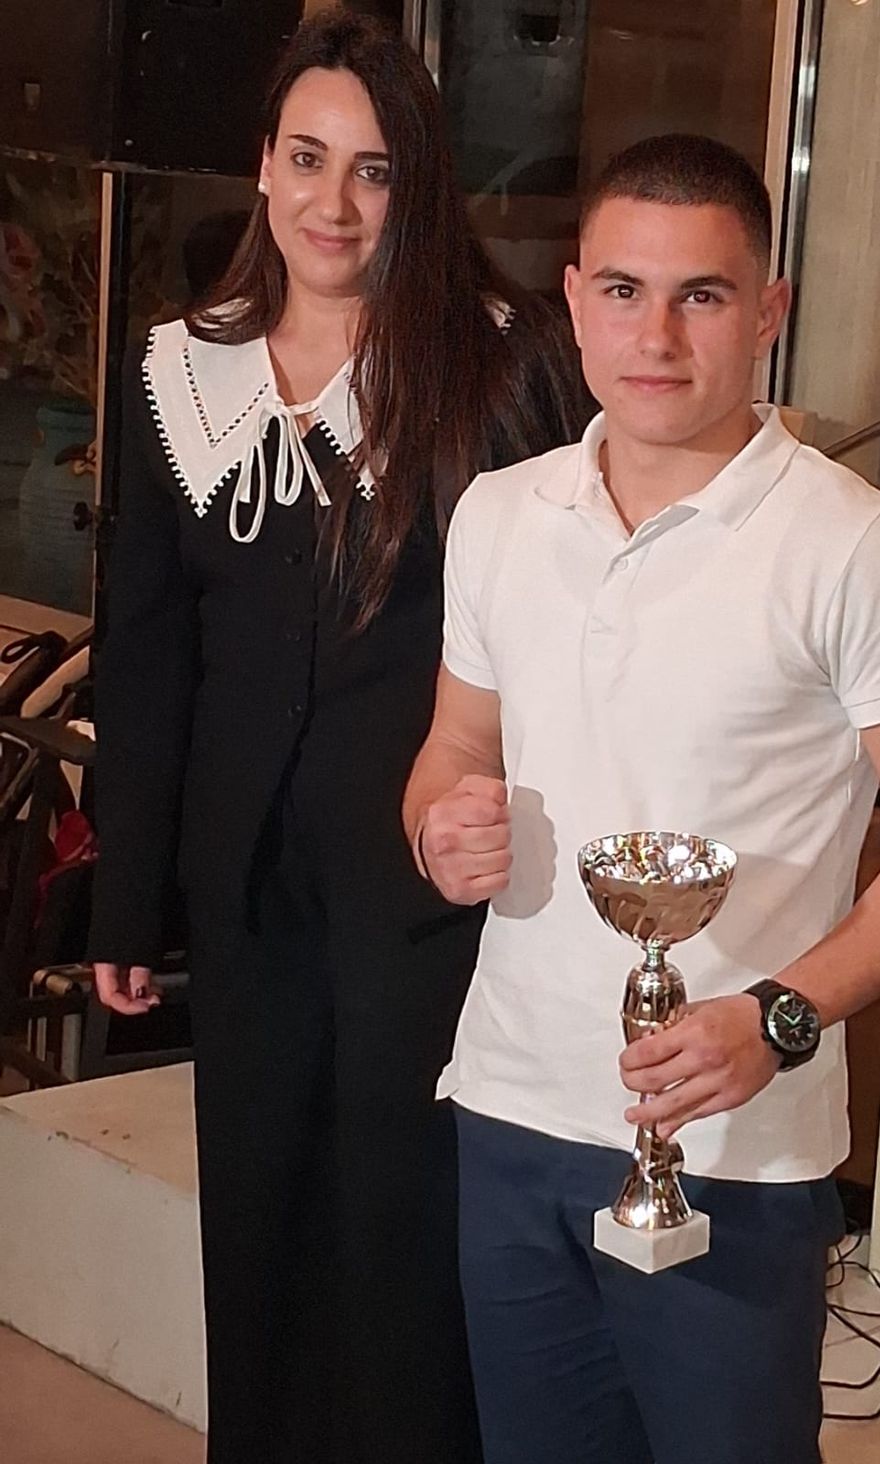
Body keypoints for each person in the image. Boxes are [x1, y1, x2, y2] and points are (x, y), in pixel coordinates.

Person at [404, 134, 880, 1464]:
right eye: (625, 291)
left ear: (769, 311)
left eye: (704, 296)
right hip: (510, 1102)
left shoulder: (856, 545)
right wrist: (440, 826)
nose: (658, 338)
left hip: (734, 1137)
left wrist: (781, 1019)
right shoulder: (501, 514)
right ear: (575, 301)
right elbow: (453, 746)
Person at [87, 10, 583, 1463]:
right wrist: (129, 893)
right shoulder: (177, 373)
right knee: (259, 1213)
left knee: (401, 1227)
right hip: (244, 883)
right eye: (308, 160)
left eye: (373, 171)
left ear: (414, 184)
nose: (335, 204)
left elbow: (559, 629)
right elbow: (149, 652)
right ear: (262, 164)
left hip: (423, 881)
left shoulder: (495, 365)